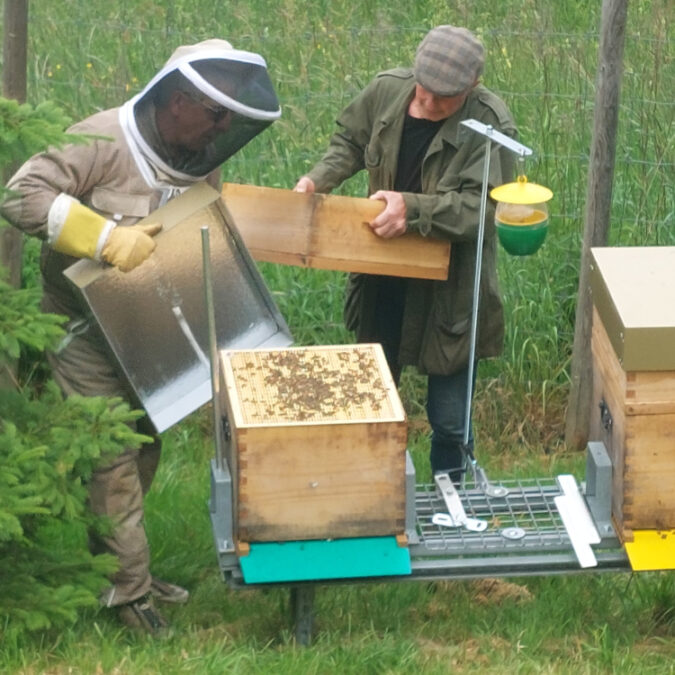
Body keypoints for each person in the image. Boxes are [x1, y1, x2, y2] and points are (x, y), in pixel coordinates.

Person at [1, 39, 281, 635]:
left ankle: (118, 569)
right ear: (178, 102)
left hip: (145, 328)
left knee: (144, 445)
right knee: (112, 459)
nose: (222, 129)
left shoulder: (199, 153)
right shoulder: (100, 139)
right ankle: (127, 594)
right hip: (79, 328)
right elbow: (19, 193)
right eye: (215, 114)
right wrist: (103, 239)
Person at [294, 25, 516, 483]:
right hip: (381, 275)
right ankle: (366, 492)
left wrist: (411, 209)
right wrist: (318, 180)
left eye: (445, 98)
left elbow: (483, 210)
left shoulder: (491, 123)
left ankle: (450, 502)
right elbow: (349, 143)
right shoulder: (387, 92)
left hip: (450, 287)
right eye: (425, 90)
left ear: (472, 87)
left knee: (450, 420)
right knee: (370, 395)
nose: (430, 103)